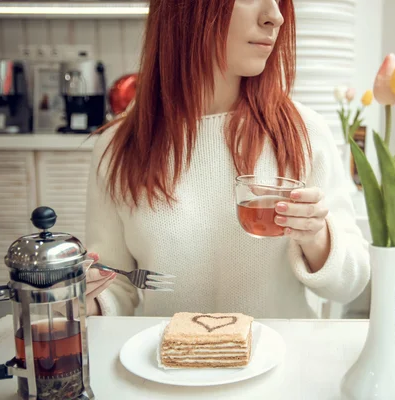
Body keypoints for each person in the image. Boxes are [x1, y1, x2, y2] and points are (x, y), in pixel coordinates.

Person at [84, 0, 370, 319]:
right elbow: (115, 285)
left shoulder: (304, 132)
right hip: (168, 365)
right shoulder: (118, 147)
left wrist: (317, 237)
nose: (275, 17)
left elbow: (351, 283)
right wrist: (85, 300)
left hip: (282, 365)